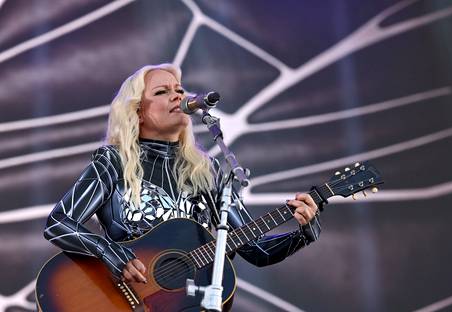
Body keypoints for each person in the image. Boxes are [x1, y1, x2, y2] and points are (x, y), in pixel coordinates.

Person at [44, 63, 322, 285]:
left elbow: (256, 250)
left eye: (179, 89)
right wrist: (110, 252)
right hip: (118, 297)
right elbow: (59, 222)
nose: (178, 96)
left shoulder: (208, 171)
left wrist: (304, 232)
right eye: (162, 92)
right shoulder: (113, 161)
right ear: (137, 111)